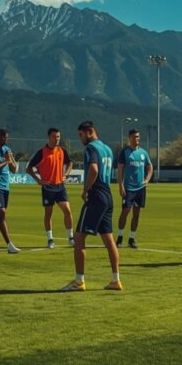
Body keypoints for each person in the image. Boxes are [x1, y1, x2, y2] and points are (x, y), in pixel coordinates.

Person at [61, 121, 122, 291]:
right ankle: (115, 280)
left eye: (81, 135)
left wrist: (85, 189)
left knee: (79, 238)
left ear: (90, 132)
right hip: (108, 195)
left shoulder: (90, 149)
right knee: (109, 240)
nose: (80, 139)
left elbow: (93, 170)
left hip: (96, 195)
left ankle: (79, 281)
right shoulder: (107, 148)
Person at [26, 127, 75, 248]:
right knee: (49, 214)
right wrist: (39, 180)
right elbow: (28, 168)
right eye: (54, 136)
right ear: (49, 137)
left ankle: (71, 238)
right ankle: (50, 239)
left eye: (58, 137)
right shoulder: (42, 152)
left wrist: (66, 174)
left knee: (67, 211)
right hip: (48, 187)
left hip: (60, 186)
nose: (56, 139)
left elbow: (70, 163)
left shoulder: (62, 151)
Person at [116, 128, 153, 249]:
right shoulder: (124, 152)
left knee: (136, 214)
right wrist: (120, 185)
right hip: (128, 188)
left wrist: (147, 179)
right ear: (130, 138)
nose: (137, 139)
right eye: (135, 137)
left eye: (138, 137)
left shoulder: (143, 153)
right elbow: (120, 169)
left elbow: (150, 167)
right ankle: (120, 237)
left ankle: (131, 239)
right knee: (125, 212)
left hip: (140, 189)